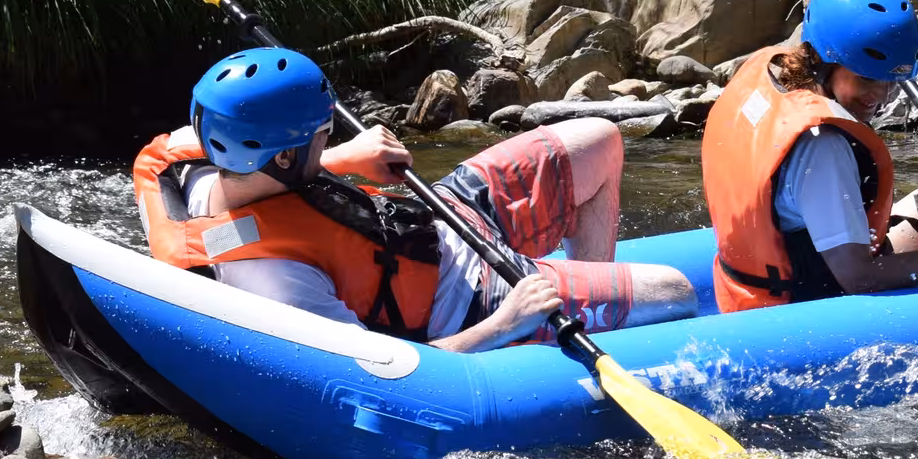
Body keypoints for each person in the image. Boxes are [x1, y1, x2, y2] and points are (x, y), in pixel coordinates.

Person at [133, 48, 696, 351]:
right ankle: (566, 314)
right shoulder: (274, 279)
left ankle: (586, 292)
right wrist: (506, 322)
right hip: (476, 301)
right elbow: (384, 370)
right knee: (676, 291)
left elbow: (268, 175)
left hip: (439, 215)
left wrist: (345, 156)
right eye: (323, 134)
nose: (333, 137)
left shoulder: (199, 154)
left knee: (600, 137)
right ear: (283, 156)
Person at [702, 0, 918, 312]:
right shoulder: (822, 147)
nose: (882, 95)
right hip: (807, 307)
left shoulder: (777, 72)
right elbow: (860, 279)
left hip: (755, 281)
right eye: (867, 78)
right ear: (824, 60)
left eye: (890, 80)